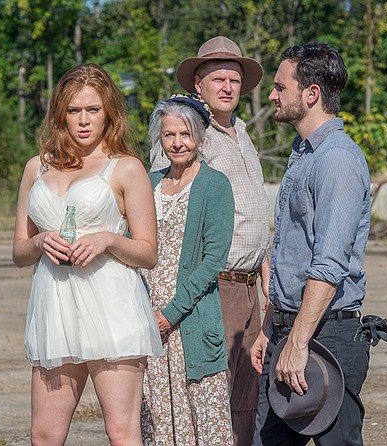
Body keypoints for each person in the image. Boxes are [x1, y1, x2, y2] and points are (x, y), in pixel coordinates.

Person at [12, 63, 163, 446]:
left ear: (108, 111)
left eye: (93, 110)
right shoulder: (36, 169)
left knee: (121, 432)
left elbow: (148, 253)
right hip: (54, 308)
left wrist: (107, 241)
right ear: (60, 113)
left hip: (112, 307)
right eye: (74, 110)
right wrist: (40, 241)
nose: (83, 120)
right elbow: (18, 251)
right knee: (44, 435)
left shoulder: (126, 168)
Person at [149, 35, 270, 445]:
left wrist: (266, 276)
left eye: (234, 80)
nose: (227, 87)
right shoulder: (188, 135)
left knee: (249, 394)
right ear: (197, 84)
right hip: (214, 284)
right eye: (217, 78)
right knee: (219, 391)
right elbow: (167, 211)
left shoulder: (241, 132)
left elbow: (255, 213)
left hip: (252, 283)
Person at [251, 42, 372, 445]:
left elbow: (329, 263)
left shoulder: (336, 159)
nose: (272, 95)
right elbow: (290, 250)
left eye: (279, 87)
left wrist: (298, 340)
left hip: (326, 337)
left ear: (311, 94)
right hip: (291, 331)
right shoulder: (303, 154)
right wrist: (272, 326)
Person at [140, 93, 235, 445]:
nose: (178, 143)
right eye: (169, 135)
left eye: (185, 134)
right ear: (160, 138)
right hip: (148, 323)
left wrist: (171, 313)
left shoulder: (215, 185)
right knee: (158, 422)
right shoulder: (147, 183)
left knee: (205, 426)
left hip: (188, 321)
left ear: (200, 136)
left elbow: (214, 260)